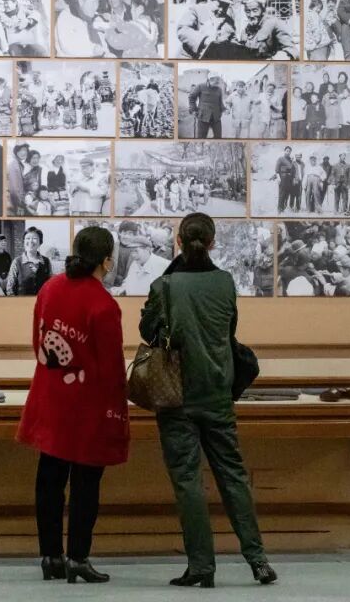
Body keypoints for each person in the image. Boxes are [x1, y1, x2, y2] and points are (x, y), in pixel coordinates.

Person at [139, 213, 277, 589]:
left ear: (178, 242)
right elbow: (228, 330)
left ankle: (201, 566)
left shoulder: (164, 284)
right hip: (218, 392)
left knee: (188, 481)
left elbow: (148, 331)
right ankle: (258, 560)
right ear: (213, 242)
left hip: (177, 395)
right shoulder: (226, 282)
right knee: (233, 475)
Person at [16, 226, 127, 584]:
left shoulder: (50, 288)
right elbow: (111, 369)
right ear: (106, 261)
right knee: (85, 483)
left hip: (51, 399)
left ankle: (50, 556)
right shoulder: (103, 305)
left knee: (49, 479)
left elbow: (39, 342)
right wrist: (117, 412)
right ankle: (78, 557)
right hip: (87, 407)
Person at [5, 226, 51, 296]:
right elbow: (10, 289)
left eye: (34, 238)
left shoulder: (46, 262)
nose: (31, 241)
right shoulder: (17, 262)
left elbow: (50, 286)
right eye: (28, 238)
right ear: (24, 242)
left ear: (40, 242)